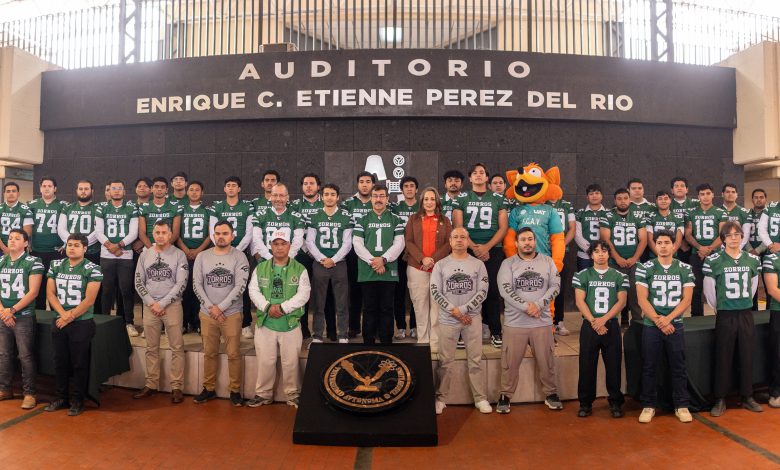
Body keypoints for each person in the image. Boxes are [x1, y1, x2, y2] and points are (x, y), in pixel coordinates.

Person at [496, 227, 562, 414]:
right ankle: (505, 395)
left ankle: (551, 394)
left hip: (542, 322)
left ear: (535, 241)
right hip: (515, 323)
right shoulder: (507, 264)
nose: (527, 242)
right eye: (523, 239)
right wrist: (527, 306)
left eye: (530, 239)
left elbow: (555, 287)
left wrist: (539, 305)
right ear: (516, 243)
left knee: (547, 361)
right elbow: (505, 290)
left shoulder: (548, 262)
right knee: (509, 363)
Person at [635, 229, 695, 423]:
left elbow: (687, 300)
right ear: (655, 245)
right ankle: (648, 405)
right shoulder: (645, 267)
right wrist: (659, 320)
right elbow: (642, 299)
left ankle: (682, 404)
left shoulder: (684, 268)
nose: (663, 246)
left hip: (675, 324)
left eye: (666, 242)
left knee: (678, 366)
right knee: (649, 366)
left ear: (673, 245)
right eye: (659, 242)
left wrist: (668, 319)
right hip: (652, 325)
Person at [246, 228, 311, 408]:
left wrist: (282, 307)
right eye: (276, 244)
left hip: (290, 322)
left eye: (283, 244)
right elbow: (253, 290)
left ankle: (292, 394)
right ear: (270, 246)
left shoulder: (300, 269)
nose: (280, 247)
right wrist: (267, 307)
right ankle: (263, 394)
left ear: (289, 246)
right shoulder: (261, 267)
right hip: (266, 322)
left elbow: (304, 294)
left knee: (291, 362)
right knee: (266, 361)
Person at [704, 221, 762, 416]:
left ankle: (747, 396)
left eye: (737, 234)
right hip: (726, 314)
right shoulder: (714, 261)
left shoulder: (752, 260)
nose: (734, 238)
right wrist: (720, 308)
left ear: (742, 237)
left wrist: (742, 303)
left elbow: (753, 287)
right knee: (724, 355)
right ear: (723, 239)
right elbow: (710, 291)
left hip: (745, 313)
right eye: (730, 235)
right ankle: (720, 398)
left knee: (747, 355)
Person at [431, 227, 490, 414]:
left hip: (471, 319)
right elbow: (435, 291)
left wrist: (463, 310)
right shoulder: (440, 265)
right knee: (445, 361)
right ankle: (441, 398)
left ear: (468, 241)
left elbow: (483, 291)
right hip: (448, 319)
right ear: (449, 241)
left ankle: (480, 398)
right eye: (455, 237)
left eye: (463, 237)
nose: (459, 240)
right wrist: (454, 312)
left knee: (475, 360)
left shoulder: (478, 265)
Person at [44, 234, 102, 416]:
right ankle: (61, 397)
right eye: (69, 245)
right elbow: (50, 294)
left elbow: (89, 300)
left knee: (79, 363)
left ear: (85, 248)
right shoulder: (55, 265)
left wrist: (70, 317)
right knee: (59, 362)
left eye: (76, 245)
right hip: (59, 319)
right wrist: (62, 315)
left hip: (81, 323)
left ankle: (78, 400)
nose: (71, 248)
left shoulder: (93, 269)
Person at [192, 220, 249, 406]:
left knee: (233, 353)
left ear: (232, 236)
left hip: (231, 313)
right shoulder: (202, 256)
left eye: (225, 233)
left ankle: (234, 391)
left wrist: (221, 308)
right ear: (213, 235)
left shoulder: (240, 257)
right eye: (217, 233)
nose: (221, 237)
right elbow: (197, 285)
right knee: (209, 352)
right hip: (208, 313)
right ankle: (208, 389)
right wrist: (211, 308)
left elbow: (240, 286)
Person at [453, 163, 509, 348]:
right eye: (474, 172)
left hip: (492, 249)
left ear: (487, 178)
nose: (478, 175)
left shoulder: (498, 199)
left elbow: (503, 227)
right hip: (467, 249)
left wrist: (486, 247)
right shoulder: (461, 198)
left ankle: (495, 330)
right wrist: (475, 248)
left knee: (492, 290)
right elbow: (458, 227)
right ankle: (463, 331)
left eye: (482, 172)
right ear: (469, 178)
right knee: (465, 290)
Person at [133, 220, 188, 403]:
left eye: (164, 232)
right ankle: (151, 384)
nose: (161, 235)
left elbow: (181, 283)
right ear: (153, 234)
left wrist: (162, 303)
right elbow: (138, 281)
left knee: (177, 347)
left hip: (172, 306)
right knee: (151, 347)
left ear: (170, 234)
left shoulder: (179, 255)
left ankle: (177, 387)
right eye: (157, 232)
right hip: (150, 307)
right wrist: (150, 302)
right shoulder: (145, 255)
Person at [572, 240, 627, 418]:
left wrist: (603, 319)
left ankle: (615, 402)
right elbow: (580, 301)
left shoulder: (619, 276)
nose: (601, 254)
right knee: (586, 366)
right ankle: (585, 403)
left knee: (613, 365)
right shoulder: (582, 275)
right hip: (590, 326)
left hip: (610, 325)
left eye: (604, 251)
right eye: (596, 251)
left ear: (609, 254)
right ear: (591, 255)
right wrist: (594, 321)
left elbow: (622, 301)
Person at [353, 184, 405, 345]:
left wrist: (383, 259)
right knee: (369, 308)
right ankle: (368, 340)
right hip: (367, 271)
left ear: (387, 199)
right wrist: (374, 262)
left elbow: (399, 244)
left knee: (387, 308)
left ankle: (386, 340)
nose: (378, 199)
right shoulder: (362, 219)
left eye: (382, 196)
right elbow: (357, 244)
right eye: (375, 196)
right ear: (371, 199)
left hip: (388, 270)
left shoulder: (396, 220)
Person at [0, 229, 44, 409]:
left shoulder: (33, 262)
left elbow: (33, 292)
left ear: (26, 243)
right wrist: (3, 311)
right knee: (3, 355)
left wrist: (12, 310)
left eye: (17, 238)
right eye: (10, 238)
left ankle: (29, 393)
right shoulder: (1, 261)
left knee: (25, 355)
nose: (12, 241)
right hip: (4, 315)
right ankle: (5, 389)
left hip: (23, 316)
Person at [405, 187, 452, 349]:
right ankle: (423, 340)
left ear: (437, 201)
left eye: (432, 199)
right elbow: (409, 241)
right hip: (417, 268)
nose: (429, 202)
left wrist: (433, 259)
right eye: (426, 199)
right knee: (420, 306)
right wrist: (422, 258)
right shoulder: (413, 219)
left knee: (437, 307)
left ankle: (435, 343)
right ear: (422, 201)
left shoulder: (445, 220)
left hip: (439, 268)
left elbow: (448, 243)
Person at [305, 183, 353, 343]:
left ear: (338, 197)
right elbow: (310, 242)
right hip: (320, 264)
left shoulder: (345, 216)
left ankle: (343, 334)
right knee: (319, 302)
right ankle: (317, 334)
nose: (330, 197)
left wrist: (334, 259)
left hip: (339, 264)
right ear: (322, 196)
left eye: (333, 194)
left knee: (342, 302)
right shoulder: (315, 216)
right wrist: (322, 259)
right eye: (326, 194)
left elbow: (347, 243)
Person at [211, 176, 255, 339]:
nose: (230, 188)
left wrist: (235, 250)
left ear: (239, 189)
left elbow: (249, 232)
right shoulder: (217, 206)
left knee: (242, 288)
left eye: (234, 185)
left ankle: (246, 324)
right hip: (220, 251)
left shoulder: (247, 206)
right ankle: (221, 322)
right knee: (220, 286)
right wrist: (223, 247)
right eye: (228, 185)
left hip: (240, 253)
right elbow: (213, 230)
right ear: (224, 189)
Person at [95, 179, 139, 335]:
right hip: (107, 255)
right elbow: (99, 232)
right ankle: (104, 321)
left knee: (126, 290)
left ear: (124, 191)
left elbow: (134, 232)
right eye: (113, 188)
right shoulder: (102, 208)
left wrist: (118, 245)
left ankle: (129, 322)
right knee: (106, 290)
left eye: (119, 188)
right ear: (109, 191)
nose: (116, 191)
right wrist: (111, 246)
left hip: (125, 255)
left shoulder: (131, 208)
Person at [600, 188, 646, 326]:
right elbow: (605, 239)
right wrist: (618, 258)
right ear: (615, 201)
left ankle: (637, 322)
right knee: (614, 293)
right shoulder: (607, 216)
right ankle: (612, 323)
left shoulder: (638, 216)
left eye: (625, 198)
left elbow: (643, 239)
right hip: (614, 261)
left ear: (629, 199)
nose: (622, 201)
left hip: (634, 261)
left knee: (635, 292)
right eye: (619, 198)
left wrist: (634, 258)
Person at [57, 180, 102, 314]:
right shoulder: (68, 208)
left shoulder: (98, 207)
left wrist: (83, 243)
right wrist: (73, 244)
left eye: (86, 189)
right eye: (80, 189)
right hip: (72, 253)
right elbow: (61, 229)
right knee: (72, 283)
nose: (83, 191)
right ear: (76, 191)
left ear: (92, 191)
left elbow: (98, 229)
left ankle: (96, 314)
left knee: (93, 285)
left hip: (92, 251)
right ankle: (68, 312)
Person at [176, 181, 215, 334]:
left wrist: (199, 250)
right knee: (184, 290)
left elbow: (210, 235)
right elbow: (176, 233)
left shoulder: (208, 210)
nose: (193, 192)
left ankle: (198, 322)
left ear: (202, 193)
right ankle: (184, 322)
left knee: (199, 288)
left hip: (202, 254)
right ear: (187, 192)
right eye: (191, 189)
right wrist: (185, 250)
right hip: (183, 254)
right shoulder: (181, 210)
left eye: (197, 190)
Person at [341, 171, 376, 338]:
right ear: (357, 184)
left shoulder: (378, 202)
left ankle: (373, 328)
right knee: (354, 291)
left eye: (368, 181)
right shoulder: (348, 204)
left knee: (371, 291)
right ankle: (353, 327)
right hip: (353, 253)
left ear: (373, 185)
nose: (364, 184)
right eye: (361, 181)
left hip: (374, 254)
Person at [685, 183, 727, 316]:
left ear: (713, 194)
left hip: (716, 255)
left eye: (708, 193)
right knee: (696, 287)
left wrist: (708, 249)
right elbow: (687, 234)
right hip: (696, 253)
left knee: (718, 286)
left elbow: (722, 235)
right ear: (698, 196)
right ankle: (696, 316)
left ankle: (720, 314)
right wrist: (700, 248)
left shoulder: (720, 212)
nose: (705, 197)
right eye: (702, 194)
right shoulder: (691, 212)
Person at [29, 176, 69, 310]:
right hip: (36, 252)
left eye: (49, 186)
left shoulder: (63, 205)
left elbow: (70, 227)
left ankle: (55, 317)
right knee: (38, 288)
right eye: (44, 186)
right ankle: (39, 318)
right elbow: (26, 226)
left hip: (56, 252)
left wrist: (65, 244)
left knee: (55, 287)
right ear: (40, 188)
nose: (46, 188)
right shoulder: (32, 205)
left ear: (55, 189)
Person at [391, 175, 419, 339]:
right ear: (402, 190)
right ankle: (401, 326)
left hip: (417, 254)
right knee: (399, 292)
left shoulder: (422, 207)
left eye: (412, 185)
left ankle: (415, 325)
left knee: (416, 291)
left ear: (416, 189)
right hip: (399, 255)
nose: (409, 188)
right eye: (406, 186)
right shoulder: (394, 207)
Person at [550, 197, 576, 336]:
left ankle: (559, 321)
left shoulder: (567, 204)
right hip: (545, 250)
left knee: (559, 286)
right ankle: (548, 321)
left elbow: (572, 228)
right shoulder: (542, 202)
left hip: (561, 251)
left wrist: (561, 245)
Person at [138, 177, 182, 249]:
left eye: (162, 187)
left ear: (166, 190)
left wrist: (165, 247)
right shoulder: (144, 207)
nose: (159, 189)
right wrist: (152, 249)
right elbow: (142, 233)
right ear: (151, 189)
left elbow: (176, 233)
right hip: (149, 247)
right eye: (156, 186)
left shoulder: (175, 206)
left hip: (168, 247)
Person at [762, 248, 780, 408]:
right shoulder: (773, 259)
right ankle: (776, 392)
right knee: (778, 353)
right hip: (778, 311)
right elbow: (773, 290)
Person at [575, 184, 607, 271]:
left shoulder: (608, 214)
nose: (594, 196)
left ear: (602, 196)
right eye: (591, 194)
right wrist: (591, 250)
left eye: (597, 193)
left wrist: (599, 251)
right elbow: (577, 235)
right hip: (584, 255)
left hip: (603, 255)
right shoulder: (580, 213)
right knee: (583, 282)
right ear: (587, 197)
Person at [645, 190, 685, 258]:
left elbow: (678, 241)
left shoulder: (678, 217)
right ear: (656, 201)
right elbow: (649, 240)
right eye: (660, 199)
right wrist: (660, 255)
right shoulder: (650, 216)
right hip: (654, 256)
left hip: (672, 255)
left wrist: (669, 255)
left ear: (670, 200)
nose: (663, 201)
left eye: (666, 198)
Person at [670, 177, 698, 264]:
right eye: (676, 186)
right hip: (673, 244)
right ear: (672, 190)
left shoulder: (696, 203)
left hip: (693, 244)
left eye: (682, 186)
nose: (679, 188)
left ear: (687, 189)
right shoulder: (667, 204)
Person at [0, 182, 33, 252]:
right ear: (4, 194)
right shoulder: (0, 208)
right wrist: (4, 248)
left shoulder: (26, 210)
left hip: (19, 248)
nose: (11, 193)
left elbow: (27, 233)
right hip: (1, 247)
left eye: (14, 191)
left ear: (18, 193)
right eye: (8, 191)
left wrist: (15, 248)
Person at [750, 188, 768, 311]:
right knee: (752, 284)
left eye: (761, 197)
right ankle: (753, 312)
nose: (759, 199)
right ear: (752, 199)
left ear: (765, 199)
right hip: (749, 253)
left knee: (768, 284)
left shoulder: (770, 213)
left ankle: (769, 312)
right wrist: (750, 250)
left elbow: (771, 235)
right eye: (756, 197)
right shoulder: (746, 213)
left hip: (766, 252)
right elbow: (742, 235)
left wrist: (758, 250)